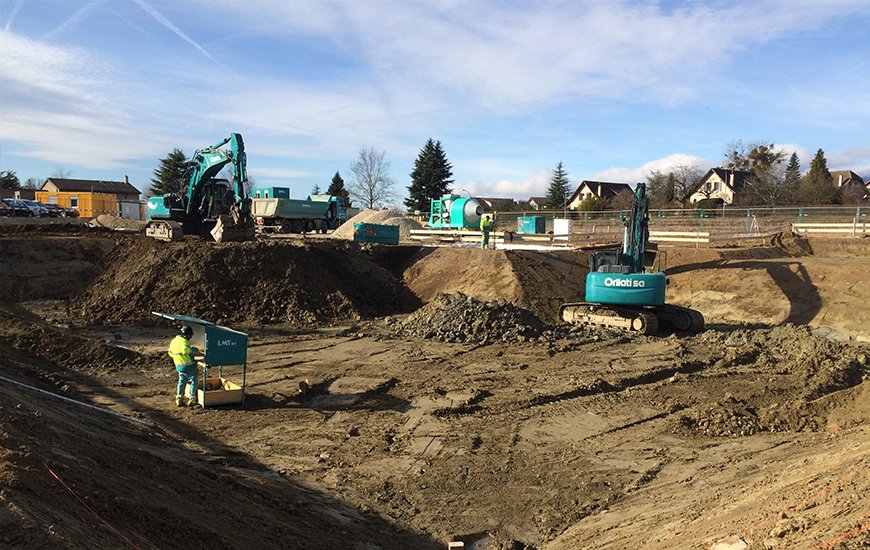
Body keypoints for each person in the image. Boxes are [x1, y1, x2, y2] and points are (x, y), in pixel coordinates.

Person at [168, 325, 199, 407]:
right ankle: (192, 398)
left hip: (178, 365)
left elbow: (170, 353)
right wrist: (193, 350)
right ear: (186, 335)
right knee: (194, 379)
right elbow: (186, 350)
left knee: (182, 381)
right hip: (188, 365)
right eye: (190, 335)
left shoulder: (174, 340)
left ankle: (179, 398)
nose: (191, 337)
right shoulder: (184, 341)